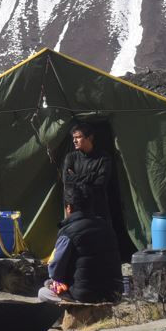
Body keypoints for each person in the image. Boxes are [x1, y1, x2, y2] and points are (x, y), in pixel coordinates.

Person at [37, 183, 123, 304]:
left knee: (43, 292)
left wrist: (55, 281)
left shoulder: (68, 232)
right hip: (114, 293)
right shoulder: (106, 226)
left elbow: (55, 270)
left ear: (68, 208)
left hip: (85, 296)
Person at [61, 120, 134, 260]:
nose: (75, 141)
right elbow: (67, 181)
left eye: (78, 137)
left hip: (97, 207)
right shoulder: (71, 157)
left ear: (89, 138)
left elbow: (101, 183)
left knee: (100, 241)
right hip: (76, 208)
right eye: (73, 138)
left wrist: (76, 178)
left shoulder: (103, 158)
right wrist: (90, 177)